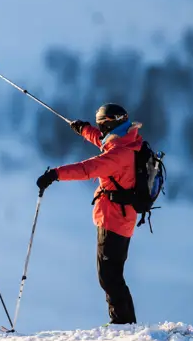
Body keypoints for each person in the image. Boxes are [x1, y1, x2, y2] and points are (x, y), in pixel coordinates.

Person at [35, 103, 141, 325]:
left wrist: (55, 174)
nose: (100, 130)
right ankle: (124, 322)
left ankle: (123, 324)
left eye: (102, 126)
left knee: (109, 276)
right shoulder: (127, 141)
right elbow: (104, 142)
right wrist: (84, 129)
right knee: (112, 274)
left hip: (114, 220)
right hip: (122, 217)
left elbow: (87, 169)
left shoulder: (118, 155)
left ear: (111, 124)